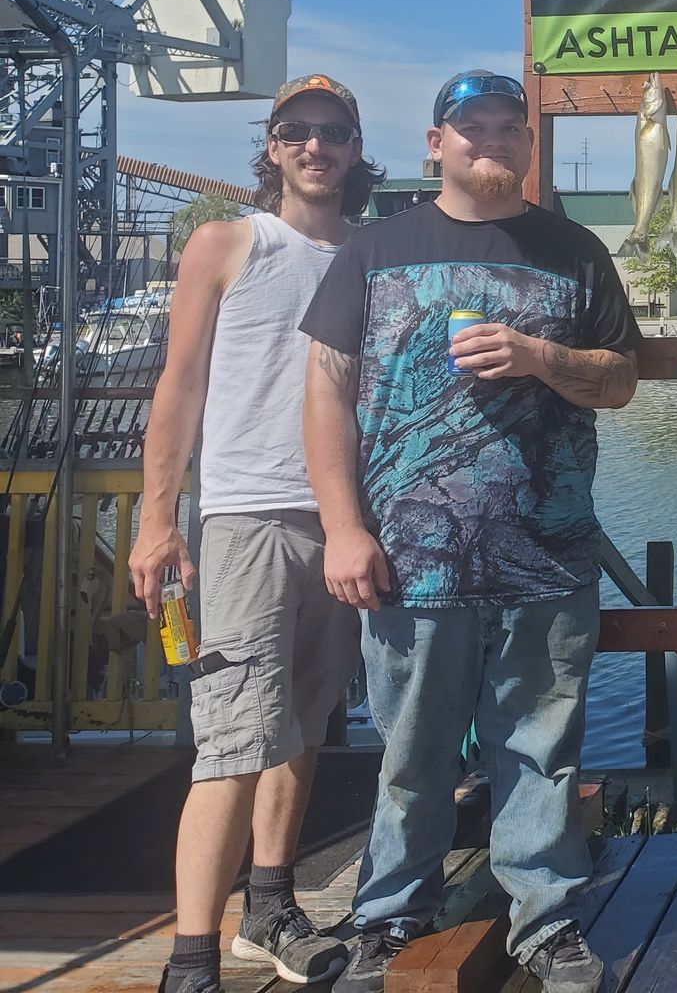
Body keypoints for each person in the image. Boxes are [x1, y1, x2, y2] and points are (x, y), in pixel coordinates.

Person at [302, 70, 640, 993]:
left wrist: (537, 355)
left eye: (508, 127)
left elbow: (619, 379)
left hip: (550, 551)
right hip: (411, 563)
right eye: (472, 127)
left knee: (541, 748)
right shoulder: (372, 252)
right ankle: (388, 913)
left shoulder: (576, 252)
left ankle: (545, 918)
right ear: (435, 144)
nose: (492, 140)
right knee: (410, 753)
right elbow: (325, 395)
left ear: (529, 146)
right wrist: (342, 528)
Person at [132, 74, 381, 992]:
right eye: (297, 131)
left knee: (305, 724)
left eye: (334, 132)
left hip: (344, 524)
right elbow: (180, 386)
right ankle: (188, 958)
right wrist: (159, 521)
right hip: (245, 519)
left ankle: (269, 906)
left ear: (357, 150)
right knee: (233, 737)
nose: (316, 146)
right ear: (272, 147)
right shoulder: (227, 242)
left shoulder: (369, 256)